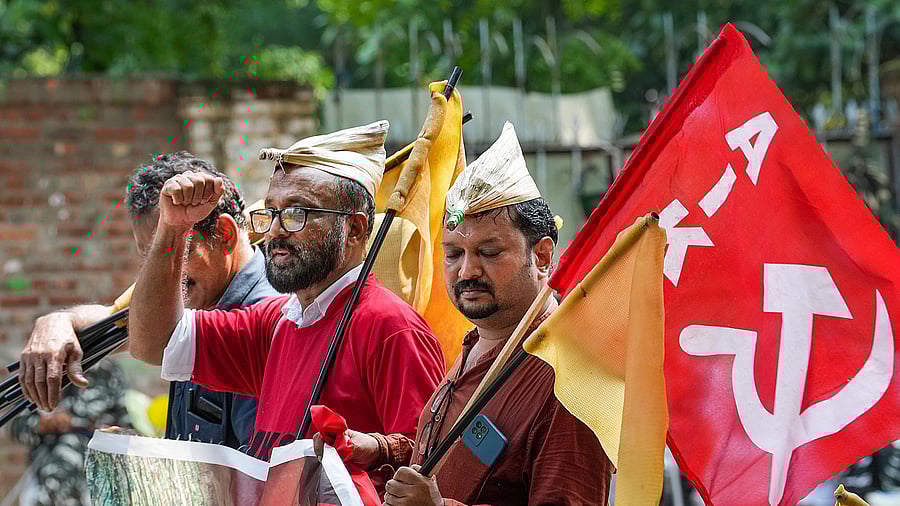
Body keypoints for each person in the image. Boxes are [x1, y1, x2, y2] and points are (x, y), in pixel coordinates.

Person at [127, 121, 446, 462]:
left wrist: (378, 450)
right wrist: (173, 229)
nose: (276, 230)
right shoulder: (275, 321)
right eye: (273, 211)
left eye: (297, 213)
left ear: (354, 229)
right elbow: (153, 342)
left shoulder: (391, 327)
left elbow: (429, 465)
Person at [340, 123, 614, 505]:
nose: (467, 271)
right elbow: (460, 460)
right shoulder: (477, 341)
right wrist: (384, 449)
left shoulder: (567, 379)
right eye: (453, 254)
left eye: (489, 253)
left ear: (543, 255)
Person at [18, 151, 276, 449]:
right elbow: (126, 319)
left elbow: (254, 483)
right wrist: (60, 321)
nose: (163, 277)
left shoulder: (265, 321)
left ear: (226, 235)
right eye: (150, 255)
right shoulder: (194, 300)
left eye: (177, 246)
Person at [8, 360, 129, 506]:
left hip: (95, 475)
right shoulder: (41, 370)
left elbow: (126, 427)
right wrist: (43, 425)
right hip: (49, 470)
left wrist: (102, 432)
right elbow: (16, 427)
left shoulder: (108, 373)